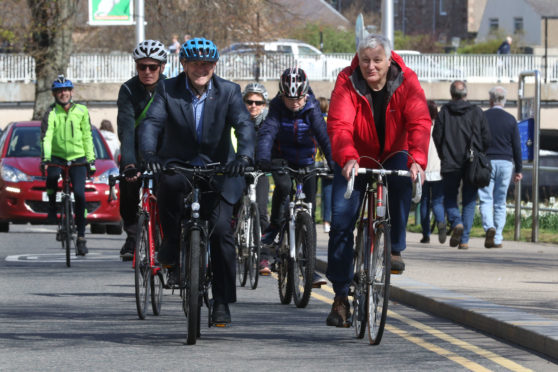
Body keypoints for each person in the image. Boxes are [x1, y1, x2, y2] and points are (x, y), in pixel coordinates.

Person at [139, 37, 255, 326]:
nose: (201, 68)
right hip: (179, 164)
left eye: (207, 63)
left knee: (220, 235)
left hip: (219, 169)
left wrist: (244, 157)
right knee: (168, 186)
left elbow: (243, 125)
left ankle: (222, 301)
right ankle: (172, 246)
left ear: (215, 65)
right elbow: (152, 122)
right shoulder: (167, 89)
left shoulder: (229, 92)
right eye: (195, 63)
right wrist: (150, 153)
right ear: (184, 64)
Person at [325, 33, 430, 327]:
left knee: (400, 181)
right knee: (342, 220)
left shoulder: (407, 80)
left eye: (377, 61)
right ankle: (341, 296)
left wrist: (418, 161)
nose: (370, 67)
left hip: (394, 150)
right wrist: (347, 156)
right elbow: (339, 124)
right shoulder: (347, 81)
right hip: (355, 155)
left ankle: (394, 247)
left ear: (388, 59)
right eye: (365, 60)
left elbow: (420, 122)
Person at [256, 67, 332, 288]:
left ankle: (310, 268)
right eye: (290, 99)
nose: (295, 103)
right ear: (282, 95)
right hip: (281, 159)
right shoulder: (278, 108)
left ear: (306, 94)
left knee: (308, 210)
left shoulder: (312, 108)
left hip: (306, 160)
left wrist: (334, 162)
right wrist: (262, 157)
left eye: (299, 98)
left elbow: (323, 136)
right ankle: (273, 230)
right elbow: (268, 132)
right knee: (283, 186)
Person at [116, 40, 167, 261]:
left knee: (171, 189)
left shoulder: (171, 87)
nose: (147, 72)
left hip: (163, 148)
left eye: (152, 67)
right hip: (135, 148)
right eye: (141, 67)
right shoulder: (128, 89)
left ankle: (168, 236)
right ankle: (132, 235)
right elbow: (126, 129)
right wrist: (129, 164)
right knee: (128, 186)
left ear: (162, 67)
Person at [41, 75, 96, 256]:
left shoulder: (81, 110)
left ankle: (81, 237)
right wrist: (46, 158)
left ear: (71, 92)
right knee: (51, 177)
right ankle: (51, 205)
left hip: (78, 157)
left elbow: (87, 136)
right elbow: (47, 136)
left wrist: (91, 160)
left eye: (66, 90)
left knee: (80, 195)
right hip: (57, 156)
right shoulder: (51, 112)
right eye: (59, 91)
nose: (63, 94)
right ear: (54, 94)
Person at [433, 80, 491, 250]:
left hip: (450, 161)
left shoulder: (444, 112)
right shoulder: (476, 112)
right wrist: (480, 152)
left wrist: (443, 154)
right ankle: (464, 239)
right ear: (466, 94)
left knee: (450, 197)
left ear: (452, 94)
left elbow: (437, 136)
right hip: (472, 162)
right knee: (470, 199)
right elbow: (487, 138)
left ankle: (456, 222)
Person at [479, 86, 522, 249]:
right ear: (504, 101)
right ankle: (497, 237)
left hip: (486, 161)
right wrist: (518, 169)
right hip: (505, 162)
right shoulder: (510, 119)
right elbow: (517, 146)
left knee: (485, 198)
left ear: (490, 100)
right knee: (500, 200)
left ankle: (488, 227)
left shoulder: (482, 117)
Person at [241, 82, 272, 275]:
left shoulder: (269, 123)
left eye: (258, 102)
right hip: (238, 170)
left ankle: (264, 257)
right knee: (232, 209)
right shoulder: (236, 119)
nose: (253, 106)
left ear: (264, 104)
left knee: (261, 212)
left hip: (261, 172)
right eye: (249, 101)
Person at [419, 100, 446, 244]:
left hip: (422, 170)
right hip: (438, 170)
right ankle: (441, 221)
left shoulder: (421, 127)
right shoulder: (440, 127)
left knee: (423, 202)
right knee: (437, 201)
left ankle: (426, 234)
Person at [316, 97, 332, 234]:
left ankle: (308, 215)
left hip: (312, 159)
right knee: (327, 192)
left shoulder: (313, 120)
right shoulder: (329, 121)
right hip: (325, 160)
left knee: (309, 192)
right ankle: (327, 221)